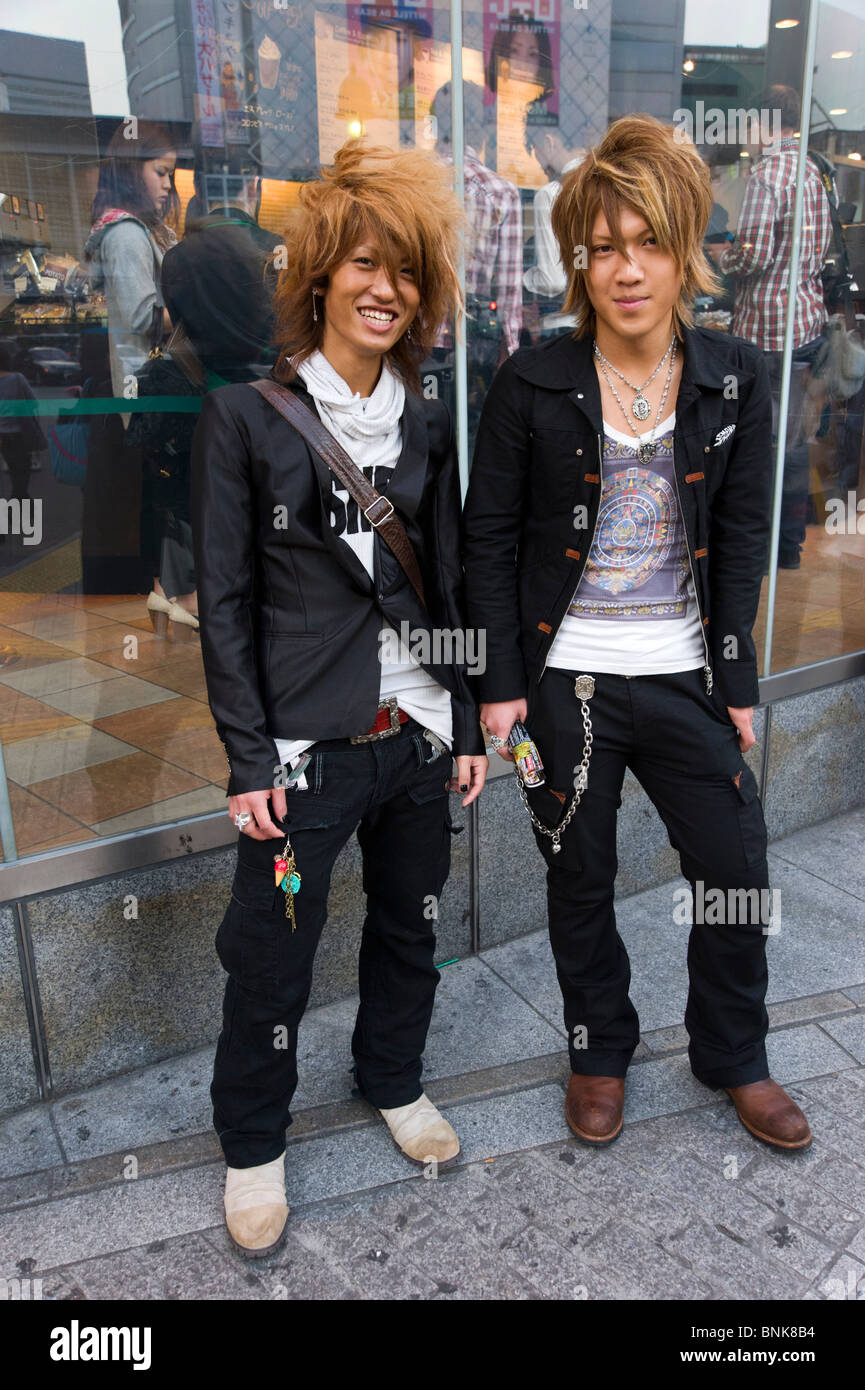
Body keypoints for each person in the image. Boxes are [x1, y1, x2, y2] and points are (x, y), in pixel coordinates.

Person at [462, 115, 812, 1154]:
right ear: (579, 257)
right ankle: (596, 1051)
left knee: (736, 871)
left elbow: (742, 536)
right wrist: (497, 681)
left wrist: (740, 679)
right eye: (603, 245)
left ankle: (734, 1055)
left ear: (685, 246)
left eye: (647, 242)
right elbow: (490, 538)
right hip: (564, 680)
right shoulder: (531, 380)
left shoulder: (735, 375)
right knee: (579, 874)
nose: (625, 269)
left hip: (687, 678)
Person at [191, 141, 487, 1257]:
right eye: (363, 264)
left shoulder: (427, 416)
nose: (384, 289)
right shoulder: (249, 417)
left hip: (411, 740)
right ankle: (253, 1145)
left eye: (405, 272)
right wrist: (247, 758)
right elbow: (223, 604)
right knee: (270, 956)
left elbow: (450, 575)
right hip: (303, 754)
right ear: (318, 276)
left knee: (411, 930)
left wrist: (460, 715)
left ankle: (393, 1081)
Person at [713, 86, 832, 569]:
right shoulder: (813, 170)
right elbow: (819, 250)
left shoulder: (767, 176)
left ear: (764, 122)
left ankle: (755, 553)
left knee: (758, 443)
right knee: (795, 443)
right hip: (806, 323)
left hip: (766, 331)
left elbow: (753, 256)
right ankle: (789, 547)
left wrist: (724, 255)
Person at [83, 120, 178, 598]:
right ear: (131, 170)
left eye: (171, 175)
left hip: (148, 386)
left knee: (157, 497)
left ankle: (163, 590)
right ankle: (161, 590)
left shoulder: (139, 231)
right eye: (160, 172)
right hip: (148, 387)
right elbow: (144, 316)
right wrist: (196, 307)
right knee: (160, 496)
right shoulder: (126, 236)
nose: (167, 185)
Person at [523, 126, 585, 333]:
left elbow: (553, 281)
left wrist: (523, 278)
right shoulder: (611, 186)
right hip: (610, 326)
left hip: (566, 328)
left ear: (549, 142)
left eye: (534, 151)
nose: (538, 165)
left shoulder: (551, 194)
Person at [0, 342, 45, 530]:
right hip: (19, 435)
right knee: (21, 477)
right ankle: (13, 515)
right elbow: (33, 403)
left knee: (16, 477)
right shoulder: (18, 379)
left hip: (1, 436)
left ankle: (21, 514)